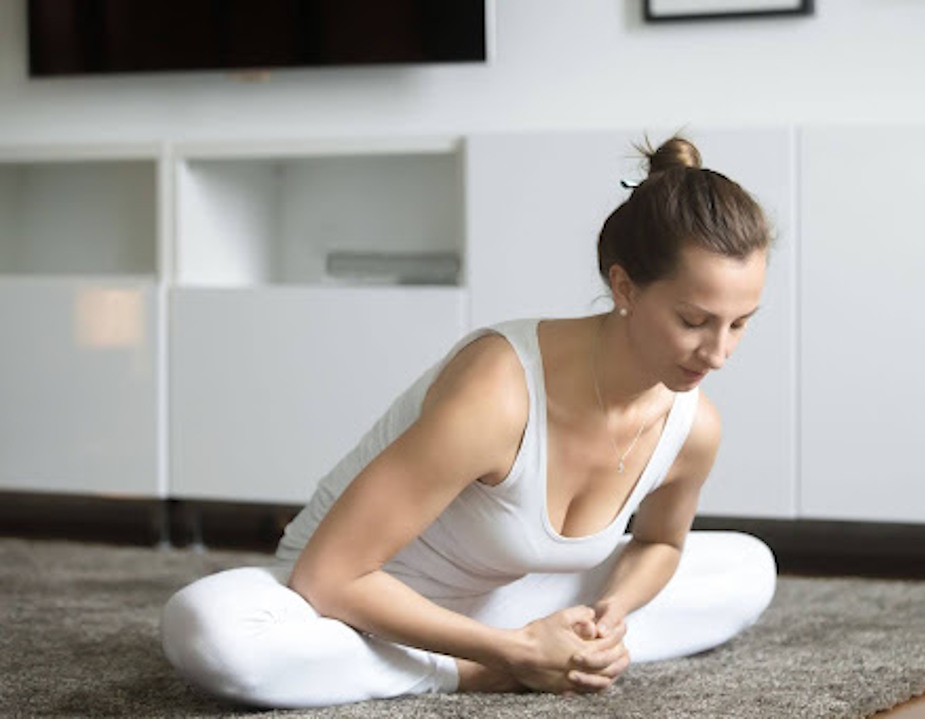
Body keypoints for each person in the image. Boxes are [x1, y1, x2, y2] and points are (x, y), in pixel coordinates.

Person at [160, 135, 778, 709]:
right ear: (625, 287)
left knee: (748, 568)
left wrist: (611, 615)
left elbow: (660, 544)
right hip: (356, 600)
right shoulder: (501, 392)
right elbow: (329, 576)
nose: (718, 353)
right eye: (694, 321)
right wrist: (512, 654)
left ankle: (549, 652)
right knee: (212, 632)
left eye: (740, 323)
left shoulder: (693, 428)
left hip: (504, 594)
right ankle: (472, 669)